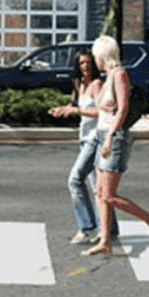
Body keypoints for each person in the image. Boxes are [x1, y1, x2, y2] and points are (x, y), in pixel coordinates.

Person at [84, 34, 149, 255]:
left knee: (109, 195)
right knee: (101, 194)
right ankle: (105, 241)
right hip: (102, 134)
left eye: (96, 56)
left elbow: (123, 108)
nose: (95, 61)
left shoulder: (120, 74)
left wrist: (110, 136)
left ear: (104, 55)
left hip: (115, 137)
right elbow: (101, 111)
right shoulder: (107, 77)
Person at [47, 51, 115, 246]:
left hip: (96, 138)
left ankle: (86, 227)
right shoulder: (78, 85)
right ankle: (110, 228)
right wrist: (62, 110)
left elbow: (100, 111)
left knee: (75, 180)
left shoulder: (96, 85)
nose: (85, 66)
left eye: (88, 63)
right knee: (98, 188)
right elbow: (74, 106)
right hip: (84, 139)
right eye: (81, 63)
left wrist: (76, 110)